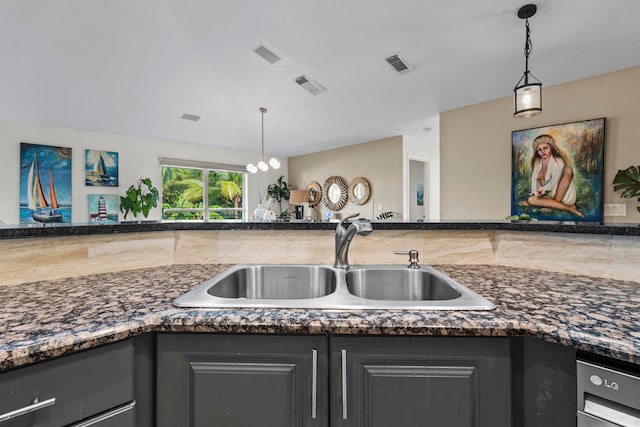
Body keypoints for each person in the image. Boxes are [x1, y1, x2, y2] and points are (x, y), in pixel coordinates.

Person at [520, 134, 583, 217]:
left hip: (561, 196)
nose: (543, 151)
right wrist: (535, 196)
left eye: (545, 148)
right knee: (531, 199)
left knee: (531, 200)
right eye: (539, 149)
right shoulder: (537, 163)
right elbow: (535, 184)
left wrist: (547, 202)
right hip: (547, 196)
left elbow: (556, 185)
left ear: (551, 148)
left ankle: (568, 208)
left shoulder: (558, 162)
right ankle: (564, 207)